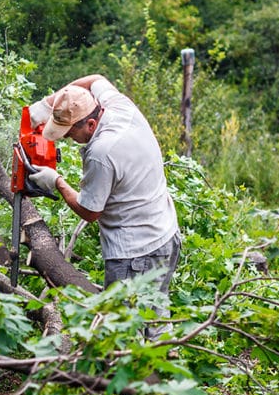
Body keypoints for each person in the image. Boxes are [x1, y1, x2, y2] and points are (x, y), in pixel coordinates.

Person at [24, 74, 181, 340]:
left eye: (71, 132)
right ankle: (166, 366)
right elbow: (95, 79)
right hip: (165, 234)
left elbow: (90, 211)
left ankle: (134, 377)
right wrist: (46, 105)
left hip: (135, 252)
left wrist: (57, 182)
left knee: (121, 332)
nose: (68, 139)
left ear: (92, 123)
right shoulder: (119, 105)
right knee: (154, 316)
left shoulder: (102, 152)